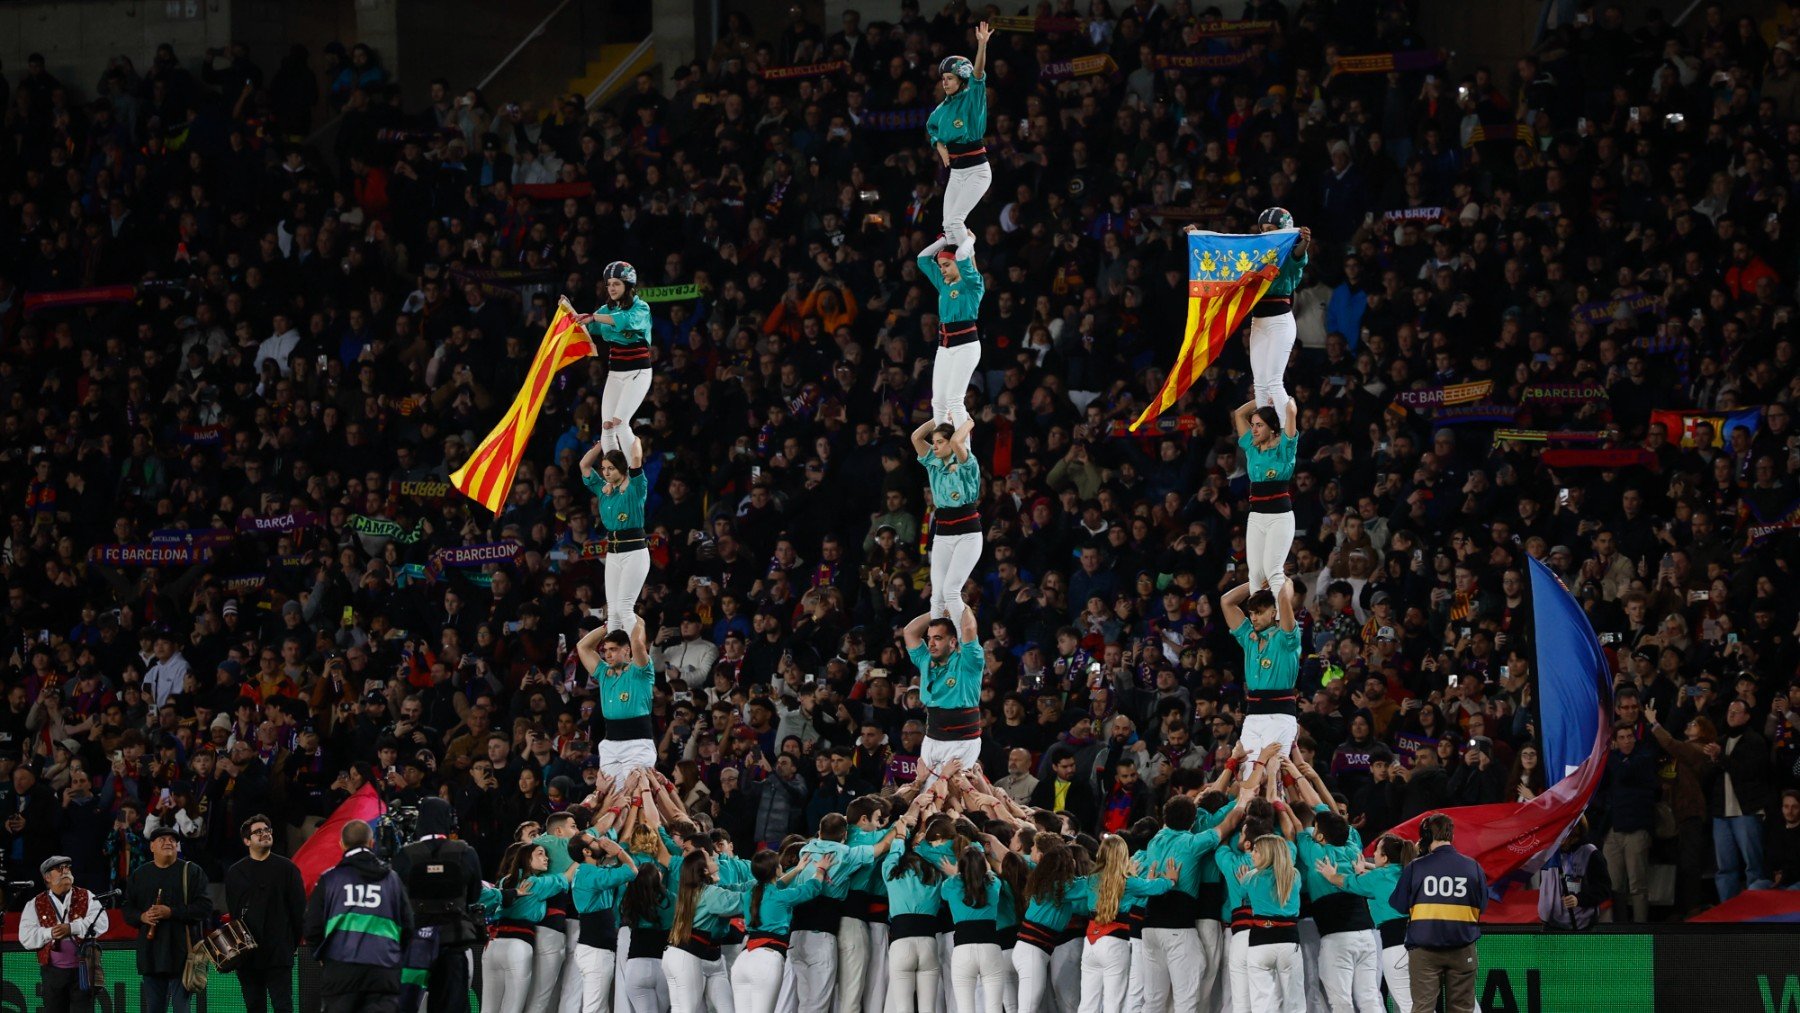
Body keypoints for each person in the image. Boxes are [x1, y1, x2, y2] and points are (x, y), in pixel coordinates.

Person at [304, 820, 415, 1013]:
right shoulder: (392, 879)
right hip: (383, 973)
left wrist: (324, 956)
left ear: (341, 845)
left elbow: (312, 927)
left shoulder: (329, 879)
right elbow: (408, 927)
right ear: (371, 843)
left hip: (341, 972)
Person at [392, 798, 485, 1013]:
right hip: (454, 939)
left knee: (406, 1005)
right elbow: (475, 894)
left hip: (416, 941)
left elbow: (395, 897)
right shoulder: (465, 852)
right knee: (452, 1005)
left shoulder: (405, 854)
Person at [1389, 813, 1485, 1013]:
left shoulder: (1416, 867)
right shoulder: (1472, 867)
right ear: (1450, 835)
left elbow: (1398, 905)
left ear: (1425, 836)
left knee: (1423, 1008)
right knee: (1462, 1009)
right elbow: (1482, 906)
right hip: (1463, 948)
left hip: (1424, 952)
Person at [1075, 835, 1175, 1013]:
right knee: (1114, 1004)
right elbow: (1155, 888)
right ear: (1123, 856)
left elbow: (1069, 891)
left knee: (1087, 1003)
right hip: (1115, 944)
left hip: (1090, 943)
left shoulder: (1090, 879)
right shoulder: (1128, 881)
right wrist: (1170, 880)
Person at [124, 826, 213, 1013]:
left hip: (182, 954)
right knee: (154, 1009)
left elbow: (204, 908)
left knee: (182, 1009)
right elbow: (127, 910)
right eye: (162, 839)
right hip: (151, 955)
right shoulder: (139, 875)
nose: (168, 842)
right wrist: (142, 916)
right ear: (151, 847)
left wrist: (170, 912)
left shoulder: (192, 871)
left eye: (172, 840)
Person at [731, 848, 831, 1013]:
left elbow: (776, 884)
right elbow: (810, 888)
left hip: (743, 961)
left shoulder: (750, 894)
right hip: (766, 961)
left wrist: (798, 869)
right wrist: (820, 869)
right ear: (776, 869)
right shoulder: (781, 897)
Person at [224, 814, 306, 1013]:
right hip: (248, 955)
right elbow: (234, 912)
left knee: (283, 1007)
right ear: (246, 840)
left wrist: (290, 945)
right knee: (254, 1007)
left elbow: (298, 911)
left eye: (267, 830)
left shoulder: (288, 869)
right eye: (258, 832)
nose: (265, 834)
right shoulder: (235, 872)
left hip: (279, 952)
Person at [926, 23, 993, 263]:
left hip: (977, 170)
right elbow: (931, 128)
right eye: (943, 78)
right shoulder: (941, 109)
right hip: (957, 172)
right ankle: (957, 269)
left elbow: (978, 74)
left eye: (950, 78)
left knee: (955, 221)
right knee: (948, 225)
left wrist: (982, 45)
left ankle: (970, 270)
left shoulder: (972, 97)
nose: (945, 83)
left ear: (961, 79)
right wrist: (939, 145)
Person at [1222, 581, 1302, 778]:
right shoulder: (1249, 638)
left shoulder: (1285, 639)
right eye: (1251, 613)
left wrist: (1282, 580)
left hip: (1279, 715)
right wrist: (1256, 582)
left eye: (1259, 612)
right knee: (1248, 775)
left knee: (1271, 775)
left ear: (1274, 612)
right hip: (1253, 716)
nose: (1254, 617)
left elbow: (1284, 597)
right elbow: (1227, 602)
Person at [911, 419, 983, 627]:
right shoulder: (933, 463)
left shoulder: (966, 461)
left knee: (951, 591)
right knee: (937, 595)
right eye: (933, 442)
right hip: (943, 534)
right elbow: (916, 437)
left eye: (939, 442)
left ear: (950, 442)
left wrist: (967, 421)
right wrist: (938, 417)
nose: (934, 446)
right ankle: (939, 643)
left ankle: (964, 641)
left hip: (967, 533)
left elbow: (959, 442)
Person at [480, 839, 565, 1013]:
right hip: (517, 946)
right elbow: (567, 877)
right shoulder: (536, 883)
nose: (546, 858)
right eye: (540, 854)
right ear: (527, 859)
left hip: (492, 946)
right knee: (512, 1009)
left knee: (488, 1009)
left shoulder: (505, 881)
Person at [576, 262, 653, 453]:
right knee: (607, 428)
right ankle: (618, 475)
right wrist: (570, 315)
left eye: (616, 283)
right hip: (615, 372)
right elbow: (587, 326)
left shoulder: (641, 308)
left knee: (620, 423)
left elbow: (624, 321)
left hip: (637, 371)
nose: (611, 288)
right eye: (609, 284)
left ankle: (634, 472)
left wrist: (593, 317)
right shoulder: (605, 309)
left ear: (628, 286)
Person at [902, 610, 985, 782]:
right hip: (932, 739)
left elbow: (969, 628)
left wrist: (957, 604)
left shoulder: (968, 662)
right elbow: (909, 632)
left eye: (938, 638)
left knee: (954, 795)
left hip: (962, 742)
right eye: (929, 638)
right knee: (926, 794)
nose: (931, 643)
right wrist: (936, 611)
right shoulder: (925, 659)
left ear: (953, 642)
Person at [21, 855, 110, 1013]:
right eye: (59, 869)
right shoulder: (35, 903)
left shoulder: (86, 896)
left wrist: (72, 928)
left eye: (67, 867)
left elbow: (102, 923)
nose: (65, 871)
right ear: (47, 877)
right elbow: (26, 937)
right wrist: (50, 932)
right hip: (53, 973)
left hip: (83, 971)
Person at [580, 433, 650, 633]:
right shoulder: (603, 490)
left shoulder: (636, 487)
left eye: (611, 468)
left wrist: (631, 436)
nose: (606, 473)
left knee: (625, 608)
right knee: (613, 612)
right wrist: (601, 443)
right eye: (603, 469)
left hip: (635, 552)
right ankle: (615, 657)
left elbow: (636, 459)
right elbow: (584, 465)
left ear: (621, 469)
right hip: (613, 553)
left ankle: (638, 655)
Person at [915, 237, 986, 432]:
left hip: (965, 346)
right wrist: (944, 240)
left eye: (946, 265)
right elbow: (922, 258)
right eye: (940, 266)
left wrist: (968, 238)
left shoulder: (973, 284)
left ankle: (965, 451)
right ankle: (944, 449)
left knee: (955, 400)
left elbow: (963, 255)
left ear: (959, 264)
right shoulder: (944, 284)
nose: (942, 270)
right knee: (938, 401)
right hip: (944, 347)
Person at [1244, 207, 1310, 414]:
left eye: (1271, 229)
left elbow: (1298, 253)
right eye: (1263, 230)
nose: (1266, 234)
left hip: (1279, 322)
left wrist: (1305, 241)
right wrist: (1197, 236)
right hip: (1258, 322)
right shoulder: (1255, 256)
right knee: (1260, 384)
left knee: (1274, 382)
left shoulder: (1289, 256)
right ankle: (1267, 436)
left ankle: (1285, 435)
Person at [1233, 400, 1299, 594]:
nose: (1253, 429)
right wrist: (1260, 400)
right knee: (1255, 574)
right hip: (1256, 517)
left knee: (1273, 571)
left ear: (1272, 428)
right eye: (1252, 424)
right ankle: (1259, 620)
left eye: (1259, 425)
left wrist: (1281, 398)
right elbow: (1238, 413)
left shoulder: (1284, 450)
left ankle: (1281, 619)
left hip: (1279, 517)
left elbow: (1291, 411)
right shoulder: (1251, 448)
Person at [577, 618, 656, 779]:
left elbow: (638, 643)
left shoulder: (640, 671)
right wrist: (607, 627)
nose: (607, 654)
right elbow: (582, 647)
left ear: (627, 650)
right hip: (611, 743)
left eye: (613, 649)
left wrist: (634, 619)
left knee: (637, 794)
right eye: (605, 650)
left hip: (638, 743)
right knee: (611, 795)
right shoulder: (604, 673)